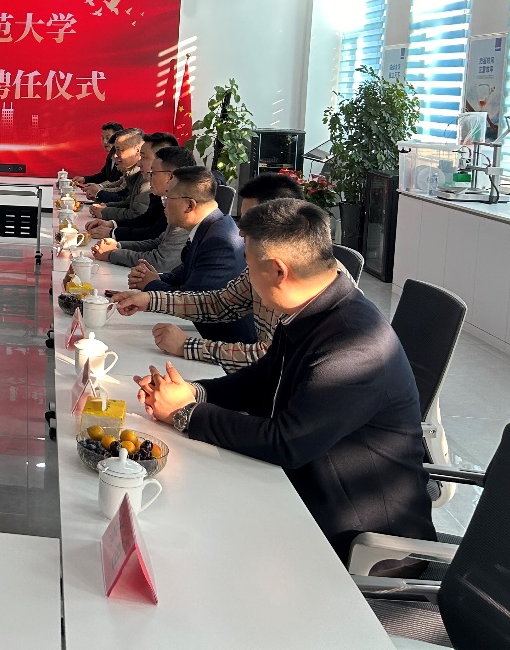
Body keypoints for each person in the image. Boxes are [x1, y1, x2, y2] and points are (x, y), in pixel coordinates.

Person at [133, 199, 437, 562]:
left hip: (359, 544)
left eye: (248, 266)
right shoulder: (312, 309)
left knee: (181, 540)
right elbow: (263, 380)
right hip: (297, 493)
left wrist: (187, 414)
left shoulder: (353, 346)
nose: (245, 277)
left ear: (278, 271)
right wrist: (193, 393)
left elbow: (287, 442)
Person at [111, 173, 307, 370]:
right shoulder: (261, 266)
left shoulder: (302, 284)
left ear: (283, 225)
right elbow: (219, 303)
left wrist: (187, 346)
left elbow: (269, 357)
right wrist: (150, 300)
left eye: (250, 224)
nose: (241, 232)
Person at [127, 166, 254, 343]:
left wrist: (151, 285)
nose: (164, 204)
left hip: (224, 344)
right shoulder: (212, 226)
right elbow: (187, 273)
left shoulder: (220, 241)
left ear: (189, 205)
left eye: (168, 197)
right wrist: (156, 278)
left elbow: (193, 298)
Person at [90, 145, 196, 273]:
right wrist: (118, 245)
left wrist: (113, 253)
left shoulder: (185, 210)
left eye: (153, 173)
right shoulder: (175, 200)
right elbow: (158, 242)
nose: (139, 163)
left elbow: (161, 261)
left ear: (171, 177)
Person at [85, 132, 178, 242]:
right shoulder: (153, 184)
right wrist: (112, 224)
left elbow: (153, 235)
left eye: (143, 157)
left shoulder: (177, 198)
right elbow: (145, 218)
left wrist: (113, 233)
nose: (139, 163)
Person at [82, 127, 149, 220]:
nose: (115, 155)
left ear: (137, 151)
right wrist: (106, 206)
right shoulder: (133, 173)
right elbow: (128, 202)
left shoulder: (146, 176)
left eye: (119, 150)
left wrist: (104, 210)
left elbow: (138, 214)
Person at [73, 121, 123, 186]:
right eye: (102, 138)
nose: (104, 142)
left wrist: (100, 188)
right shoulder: (110, 156)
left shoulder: (125, 158)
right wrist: (84, 179)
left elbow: (121, 185)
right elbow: (103, 176)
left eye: (108, 138)